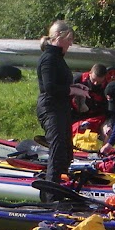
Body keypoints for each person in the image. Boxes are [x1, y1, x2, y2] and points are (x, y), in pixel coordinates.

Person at [34, 19, 76, 201]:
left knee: (66, 152)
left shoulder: (58, 58)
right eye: (70, 39)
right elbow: (50, 87)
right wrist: (72, 90)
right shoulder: (49, 59)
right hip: (50, 108)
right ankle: (50, 197)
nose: (71, 43)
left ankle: (60, 188)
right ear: (60, 36)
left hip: (61, 109)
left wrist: (77, 89)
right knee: (57, 151)